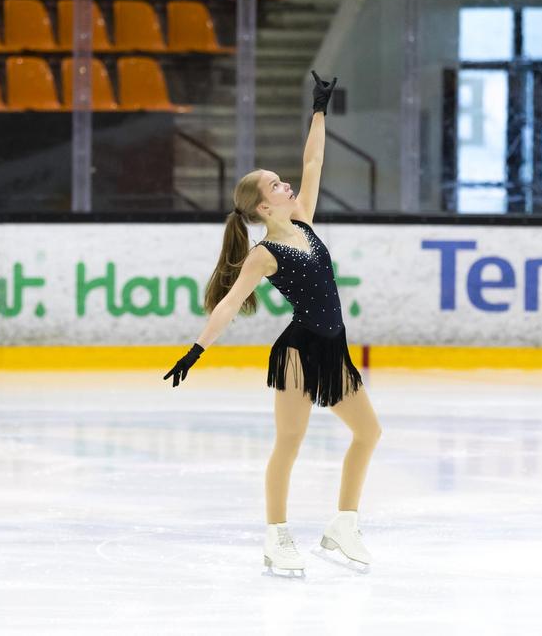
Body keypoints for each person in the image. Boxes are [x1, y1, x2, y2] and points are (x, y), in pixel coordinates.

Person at [164, 71, 383, 578]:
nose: (286, 184)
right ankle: (276, 535)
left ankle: (344, 524)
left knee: (368, 432)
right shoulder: (263, 254)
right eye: (276, 185)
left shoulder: (303, 218)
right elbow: (228, 304)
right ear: (264, 206)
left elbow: (313, 161)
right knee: (290, 441)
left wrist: (319, 110)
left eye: (281, 181)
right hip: (298, 353)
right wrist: (196, 351)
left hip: (333, 348)